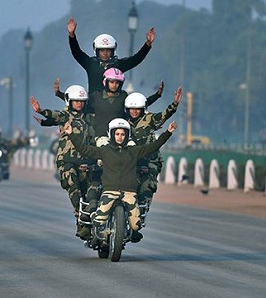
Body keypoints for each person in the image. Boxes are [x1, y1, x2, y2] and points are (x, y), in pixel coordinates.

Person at [63, 118, 177, 242]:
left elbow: (153, 146)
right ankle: (104, 232)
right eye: (117, 134)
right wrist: (71, 134)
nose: (120, 137)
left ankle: (126, 231)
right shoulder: (104, 150)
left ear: (127, 135)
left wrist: (168, 132)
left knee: (136, 226)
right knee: (97, 221)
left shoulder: (134, 151)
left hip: (129, 193)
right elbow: (84, 149)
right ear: (112, 134)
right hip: (109, 192)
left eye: (123, 134)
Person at [31, 85, 96, 239]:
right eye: (76, 101)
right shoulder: (65, 115)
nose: (79, 104)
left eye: (81, 101)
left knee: (91, 190)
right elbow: (54, 115)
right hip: (67, 161)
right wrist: (41, 111)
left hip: (87, 160)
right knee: (74, 188)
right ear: (69, 101)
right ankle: (81, 222)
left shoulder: (90, 118)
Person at [54, 68, 163, 141]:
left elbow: (140, 104)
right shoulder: (95, 96)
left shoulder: (124, 96)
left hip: (118, 137)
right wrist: (59, 94)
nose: (114, 85)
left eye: (117, 83)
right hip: (97, 137)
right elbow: (78, 102)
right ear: (106, 82)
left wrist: (157, 95)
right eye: (111, 82)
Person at [125, 87, 182, 221]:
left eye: (137, 109)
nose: (134, 111)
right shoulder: (122, 123)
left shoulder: (150, 119)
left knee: (147, 187)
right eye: (131, 109)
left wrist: (174, 104)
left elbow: (163, 115)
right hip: (129, 161)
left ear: (143, 109)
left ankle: (142, 214)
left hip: (150, 160)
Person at [67, 16, 155, 94]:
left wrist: (147, 45)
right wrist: (72, 36)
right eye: (102, 50)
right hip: (93, 109)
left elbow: (136, 59)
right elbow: (76, 52)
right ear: (97, 51)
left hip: (114, 108)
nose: (105, 53)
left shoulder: (118, 65)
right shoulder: (90, 64)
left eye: (108, 50)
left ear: (113, 51)